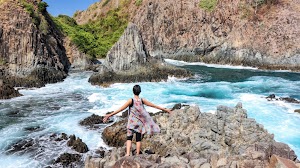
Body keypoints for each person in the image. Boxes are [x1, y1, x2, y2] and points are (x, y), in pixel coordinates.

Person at [103, 85, 172, 156]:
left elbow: (121, 109)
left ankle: (127, 154)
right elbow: (154, 105)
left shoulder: (131, 100)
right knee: (138, 139)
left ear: (133, 91)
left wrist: (109, 115)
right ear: (140, 92)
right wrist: (166, 110)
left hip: (131, 124)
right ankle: (138, 154)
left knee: (129, 138)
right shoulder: (142, 100)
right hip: (139, 124)